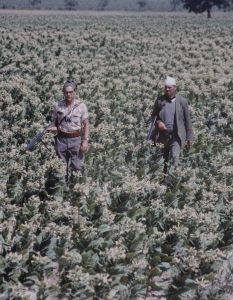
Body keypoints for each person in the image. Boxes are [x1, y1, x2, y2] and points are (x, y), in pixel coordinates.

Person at [48, 80, 90, 184]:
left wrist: (85, 140)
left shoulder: (81, 106)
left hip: (76, 139)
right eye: (66, 92)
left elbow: (86, 124)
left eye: (71, 92)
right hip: (61, 139)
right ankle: (64, 189)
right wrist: (53, 128)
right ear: (63, 93)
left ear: (75, 92)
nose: (68, 94)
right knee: (61, 167)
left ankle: (75, 187)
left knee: (76, 166)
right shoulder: (58, 105)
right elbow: (54, 122)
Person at [151, 76, 193, 174]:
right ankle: (161, 180)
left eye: (169, 87)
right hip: (162, 135)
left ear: (175, 88)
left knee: (175, 158)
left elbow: (188, 120)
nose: (167, 89)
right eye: (166, 87)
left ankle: (171, 181)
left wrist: (189, 137)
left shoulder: (182, 101)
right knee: (161, 160)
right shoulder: (160, 100)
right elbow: (153, 116)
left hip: (176, 135)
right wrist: (159, 122)